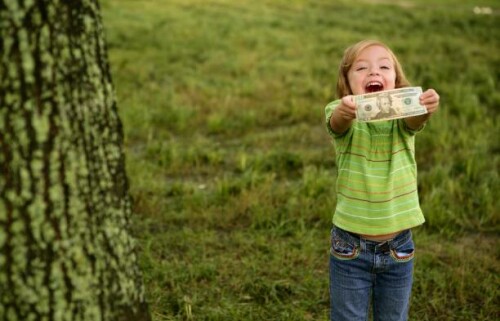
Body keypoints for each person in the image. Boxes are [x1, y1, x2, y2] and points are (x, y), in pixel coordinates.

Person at [324, 39, 440, 321]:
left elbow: (415, 122)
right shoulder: (341, 113)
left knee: (394, 317)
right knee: (347, 317)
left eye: (384, 67)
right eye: (361, 68)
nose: (374, 72)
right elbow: (336, 123)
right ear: (347, 83)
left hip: (399, 247)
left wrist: (423, 107)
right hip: (349, 247)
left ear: (396, 82)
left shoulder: (403, 118)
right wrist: (345, 111)